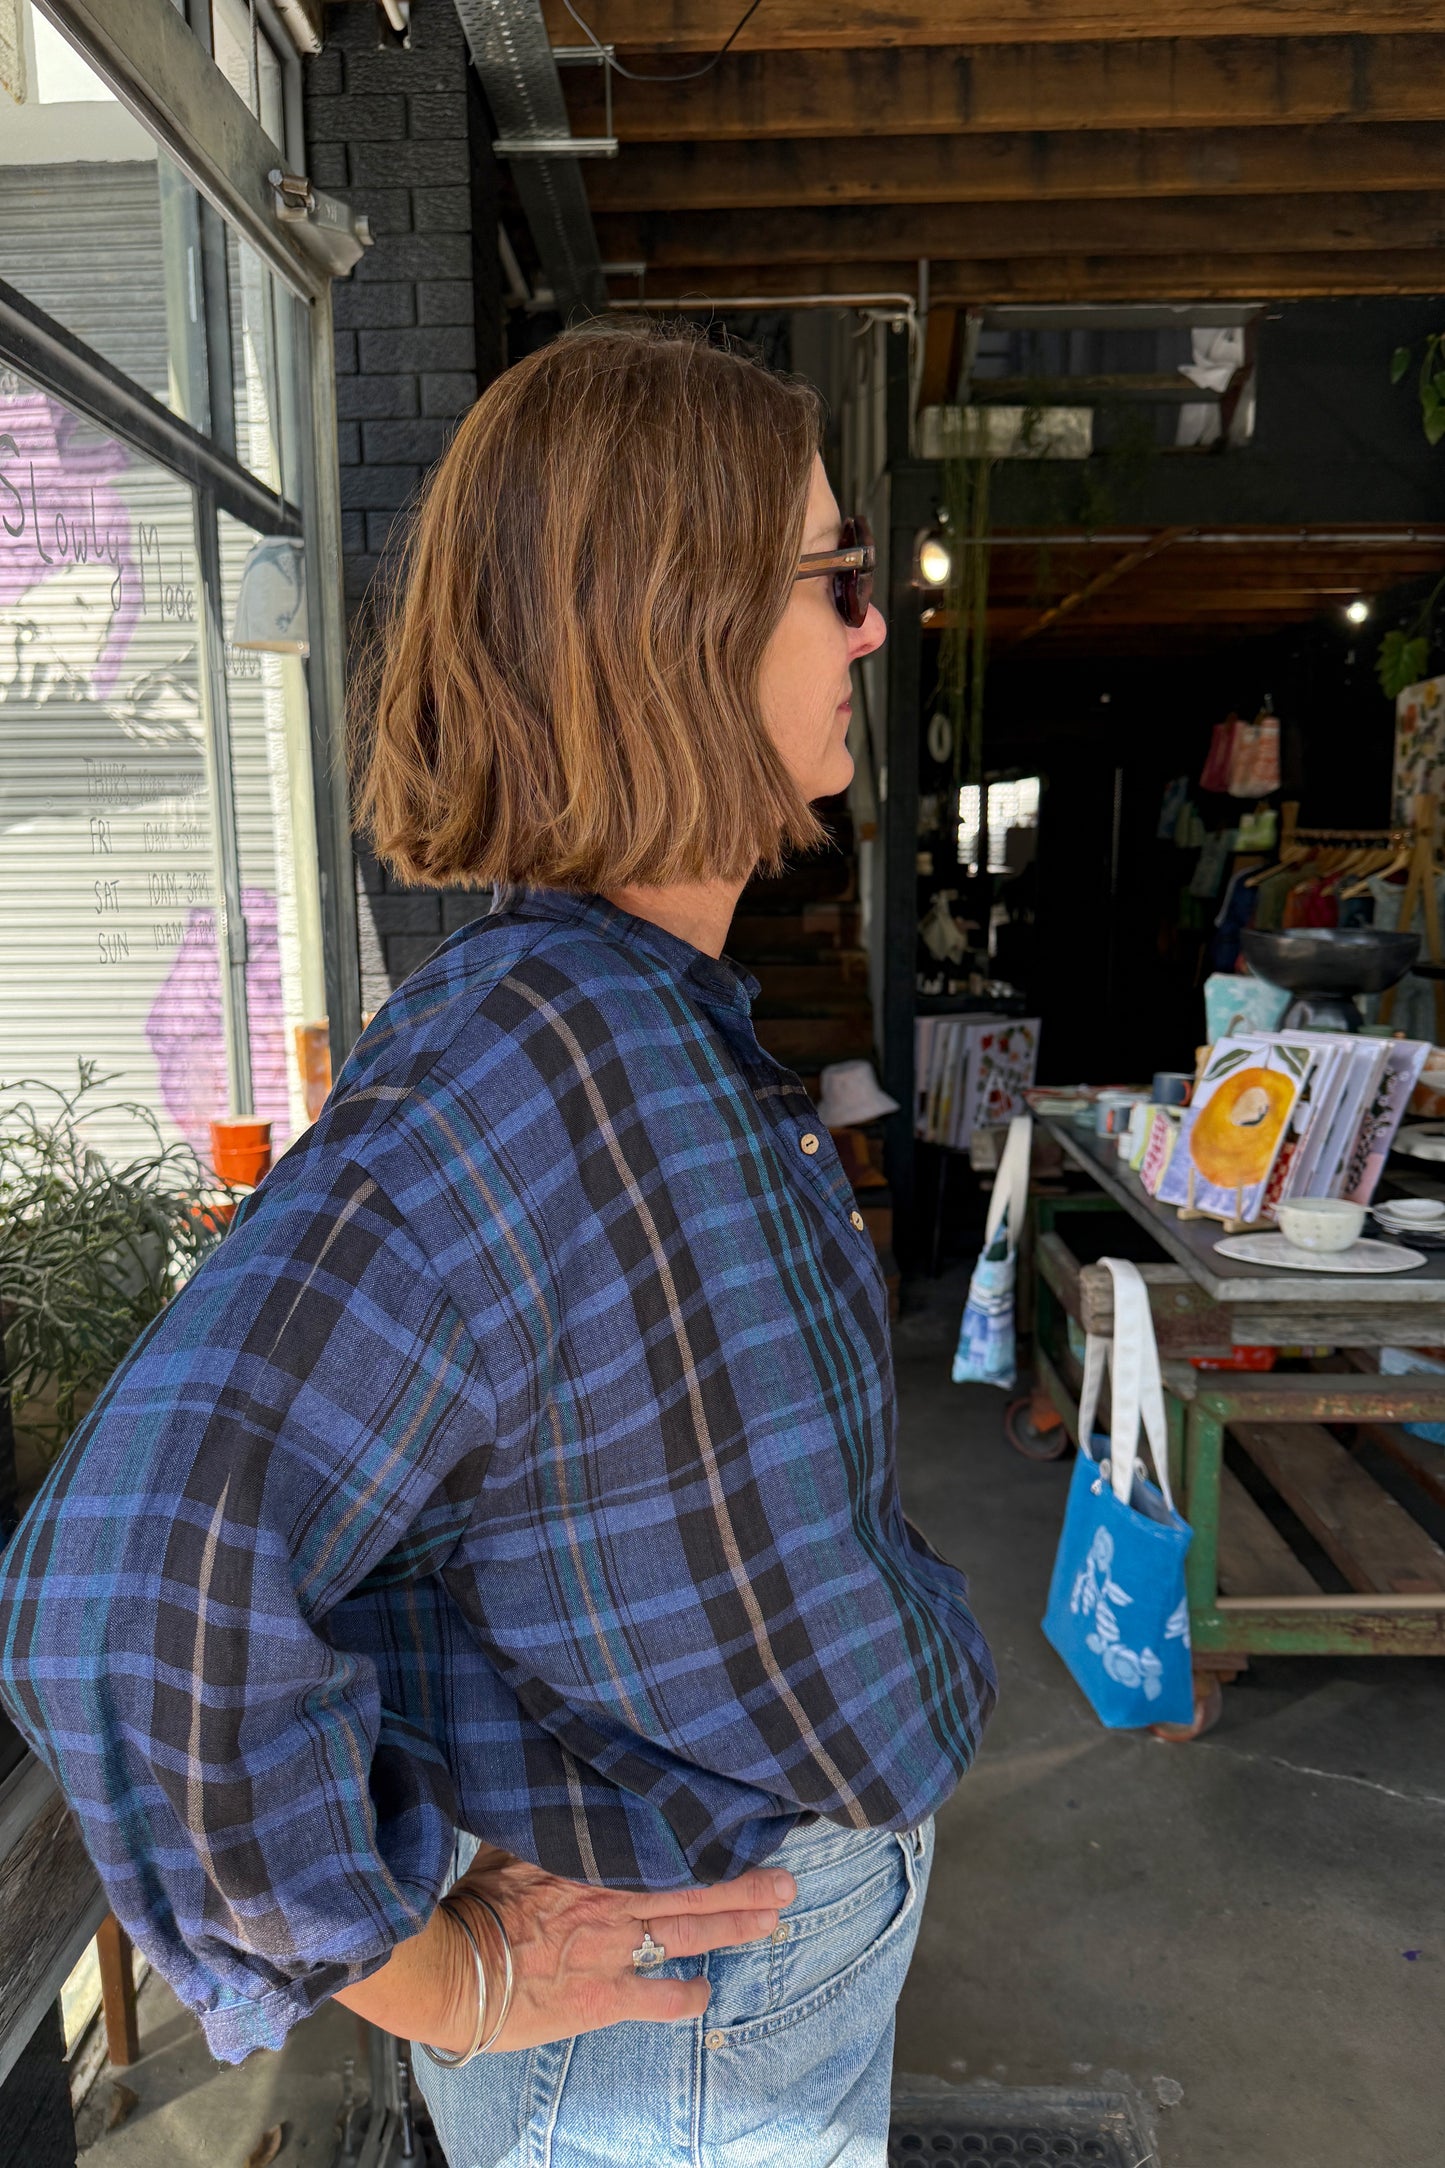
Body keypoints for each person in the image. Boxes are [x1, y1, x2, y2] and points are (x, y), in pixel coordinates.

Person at [0, 322, 996, 2167]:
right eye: (829, 578)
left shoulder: (628, 1018)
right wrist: (430, 1977)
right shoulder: (534, 1061)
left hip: (734, 1982)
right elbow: (125, 1588)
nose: (868, 625)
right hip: (675, 2046)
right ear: (670, 625)